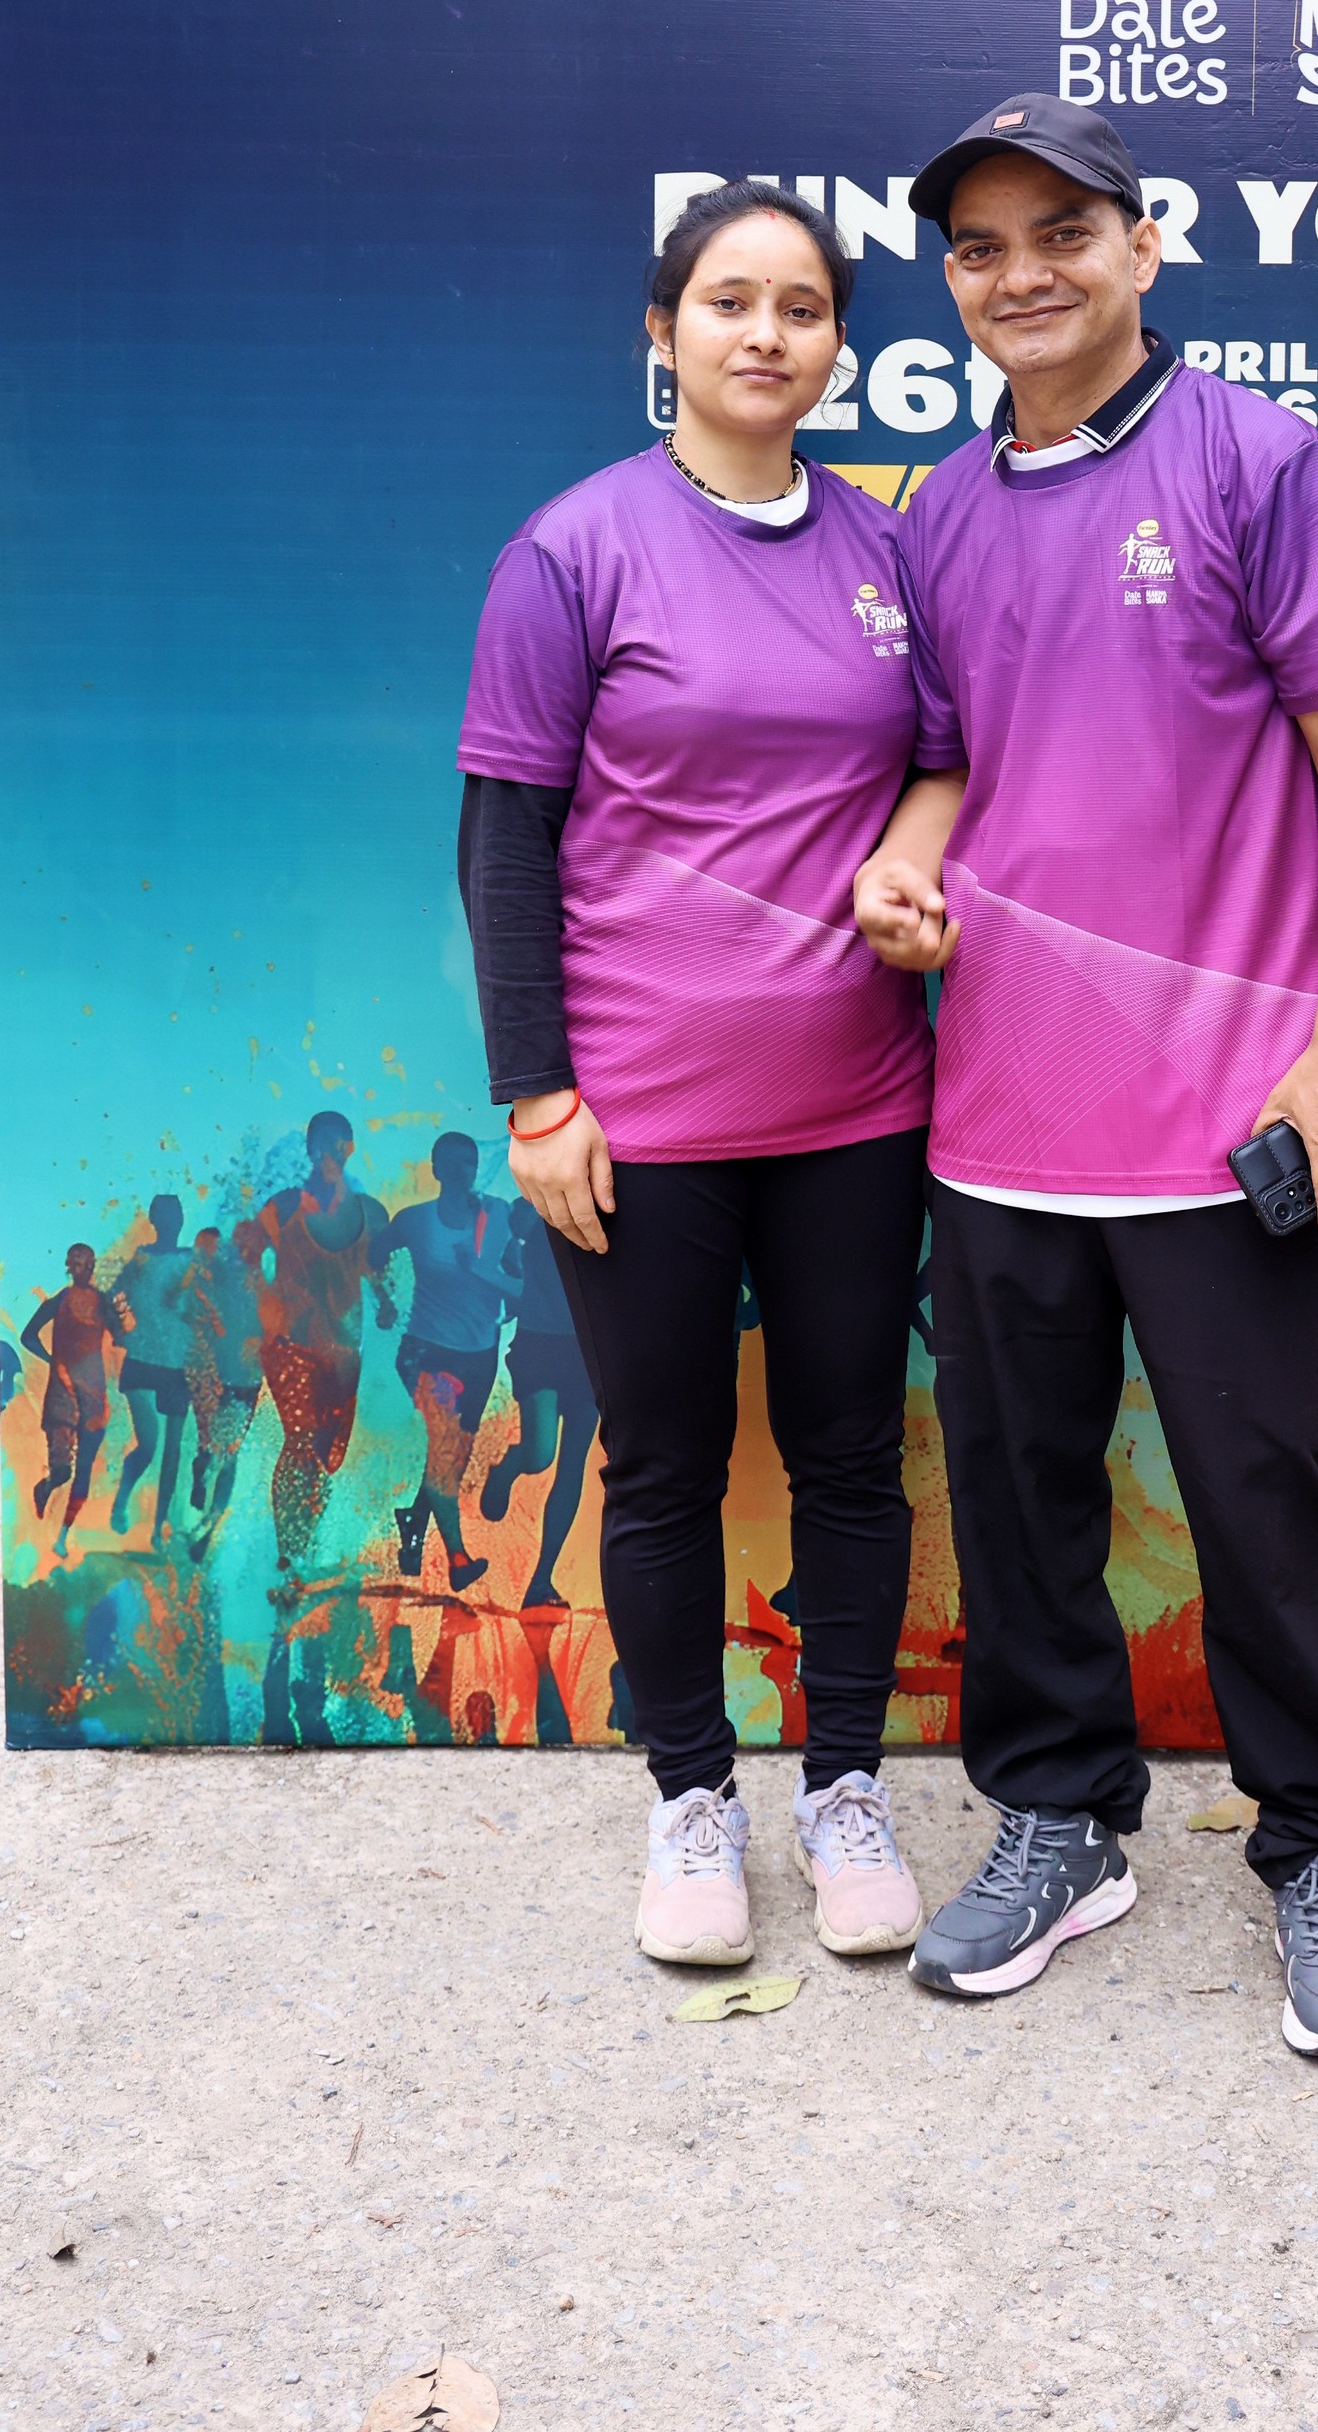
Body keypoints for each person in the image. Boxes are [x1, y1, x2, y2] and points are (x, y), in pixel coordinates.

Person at [858, 93, 1318, 2060]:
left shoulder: (1254, 459)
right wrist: (909, 859)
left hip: (1231, 1118)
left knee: (1275, 1510)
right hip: (1002, 1120)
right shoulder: (934, 512)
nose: (1020, 274)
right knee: (1021, 1511)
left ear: (1140, 247)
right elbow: (949, 760)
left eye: (1060, 232)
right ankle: (1057, 1820)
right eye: (979, 246)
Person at [457, 179, 934, 1966]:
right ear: (662, 333)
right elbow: (504, 839)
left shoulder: (886, 549)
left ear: (836, 345)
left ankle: (844, 1786)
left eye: (801, 305)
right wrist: (538, 1095)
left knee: (850, 1455)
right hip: (637, 1117)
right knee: (661, 1464)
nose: (764, 332)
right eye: (728, 300)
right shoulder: (573, 549)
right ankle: (688, 1799)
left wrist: (910, 861)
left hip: (858, 1104)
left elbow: (942, 764)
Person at [256, 1111, 395, 1594]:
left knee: (327, 1454)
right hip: (290, 1342)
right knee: (299, 1438)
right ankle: (287, 1556)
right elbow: (245, 1259)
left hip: (344, 1348)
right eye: (322, 1142)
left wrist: (387, 1303)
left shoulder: (371, 1212)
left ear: (349, 1149)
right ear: (310, 1149)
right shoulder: (284, 1206)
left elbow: (378, 1269)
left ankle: (305, 1550)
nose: (330, 1151)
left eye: (339, 1143)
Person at [383, 1132, 516, 1593]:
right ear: (436, 1169)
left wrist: (506, 1290)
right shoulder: (415, 1221)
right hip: (426, 1352)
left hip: (479, 1356)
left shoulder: (498, 1215)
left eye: (469, 1163)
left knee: (451, 1463)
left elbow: (518, 1272)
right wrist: (383, 1300)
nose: (462, 1171)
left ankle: (413, 1523)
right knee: (443, 1451)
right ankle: (458, 1558)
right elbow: (373, 1253)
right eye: (452, 1163)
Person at [479, 1196, 601, 1610]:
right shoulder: (533, 1214)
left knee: (571, 1465)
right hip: (542, 1348)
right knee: (540, 1453)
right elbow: (516, 1266)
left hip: (588, 1353)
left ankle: (541, 1580)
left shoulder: (601, 1214)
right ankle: (507, 1468)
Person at [21, 1244, 128, 1559]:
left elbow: (122, 1337)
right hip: (63, 1396)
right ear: (69, 1267)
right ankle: (45, 1487)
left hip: (93, 1394)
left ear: (92, 1266)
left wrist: (123, 1313)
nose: (78, 1269)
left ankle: (63, 1537)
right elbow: (28, 1336)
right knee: (62, 1471)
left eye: (83, 1263)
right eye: (74, 1263)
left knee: (83, 1471)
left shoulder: (102, 1302)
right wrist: (52, 1360)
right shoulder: (61, 1301)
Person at [109, 1193, 201, 1545]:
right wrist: (121, 1325)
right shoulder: (142, 1258)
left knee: (172, 1451)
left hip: (178, 1361)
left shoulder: (192, 1259)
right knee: (149, 1445)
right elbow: (116, 1294)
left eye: (175, 1213)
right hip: (143, 1357)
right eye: (164, 1214)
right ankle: (121, 1500)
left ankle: (158, 1528)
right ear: (154, 1219)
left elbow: (208, 1299)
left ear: (181, 1219)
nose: (171, 1220)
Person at [184, 1219, 268, 1557]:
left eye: (248, 1242)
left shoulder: (263, 1279)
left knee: (229, 1451)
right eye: (239, 1242)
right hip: (221, 1371)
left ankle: (211, 1520)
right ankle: (203, 1471)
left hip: (245, 1375)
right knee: (218, 1448)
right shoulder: (226, 1272)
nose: (243, 1248)